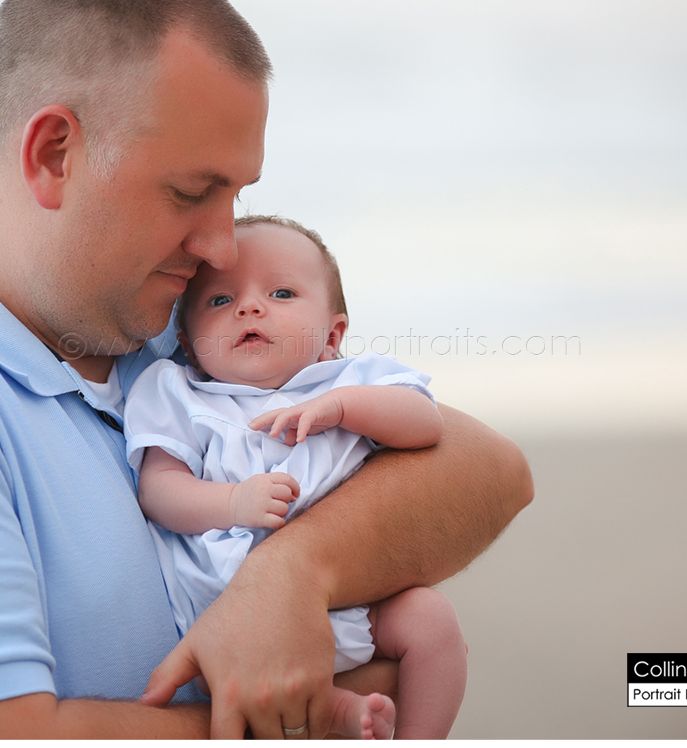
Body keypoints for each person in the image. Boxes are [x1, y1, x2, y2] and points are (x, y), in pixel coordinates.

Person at [0, 0, 533, 740]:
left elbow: (492, 470)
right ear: (55, 154)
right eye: (193, 193)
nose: (225, 249)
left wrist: (293, 574)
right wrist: (298, 719)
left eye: (237, 197)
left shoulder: (170, 312)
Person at [126, 215, 467, 739]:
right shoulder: (179, 394)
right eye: (220, 301)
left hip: (355, 589)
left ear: (332, 335)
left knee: (433, 621)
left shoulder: (353, 381)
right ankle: (332, 709)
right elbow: (159, 489)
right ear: (189, 345)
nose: (249, 306)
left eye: (282, 292)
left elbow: (426, 425)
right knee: (239, 655)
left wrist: (344, 407)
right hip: (227, 595)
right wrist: (233, 503)